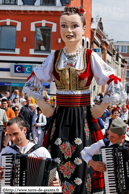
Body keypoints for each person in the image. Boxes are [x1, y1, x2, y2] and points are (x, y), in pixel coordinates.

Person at [23, 6, 127, 194]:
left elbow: (114, 80)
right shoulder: (55, 57)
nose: (68, 30)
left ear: (83, 28)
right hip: (60, 116)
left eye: (74, 26)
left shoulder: (90, 56)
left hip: (83, 118)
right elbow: (34, 80)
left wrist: (102, 105)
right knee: (56, 160)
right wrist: (43, 105)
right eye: (64, 25)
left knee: (82, 161)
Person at [0, 117, 60, 187]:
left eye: (15, 133)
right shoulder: (5, 152)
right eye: (10, 135)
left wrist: (56, 183)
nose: (12, 138)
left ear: (24, 130)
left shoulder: (42, 151)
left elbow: (55, 179)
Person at [81, 118, 128, 193]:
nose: (109, 138)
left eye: (113, 137)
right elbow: (84, 152)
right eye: (109, 134)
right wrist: (92, 163)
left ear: (122, 137)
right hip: (113, 187)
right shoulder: (104, 143)